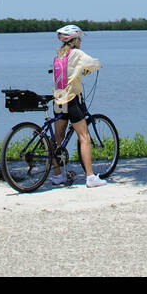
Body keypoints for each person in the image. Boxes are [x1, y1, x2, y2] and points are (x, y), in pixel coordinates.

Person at [48, 24, 106, 187]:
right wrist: (95, 67)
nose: (80, 41)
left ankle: (58, 175)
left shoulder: (59, 55)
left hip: (58, 100)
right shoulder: (77, 54)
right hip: (72, 99)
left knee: (57, 138)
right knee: (84, 137)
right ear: (73, 40)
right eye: (79, 38)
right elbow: (94, 63)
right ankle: (90, 177)